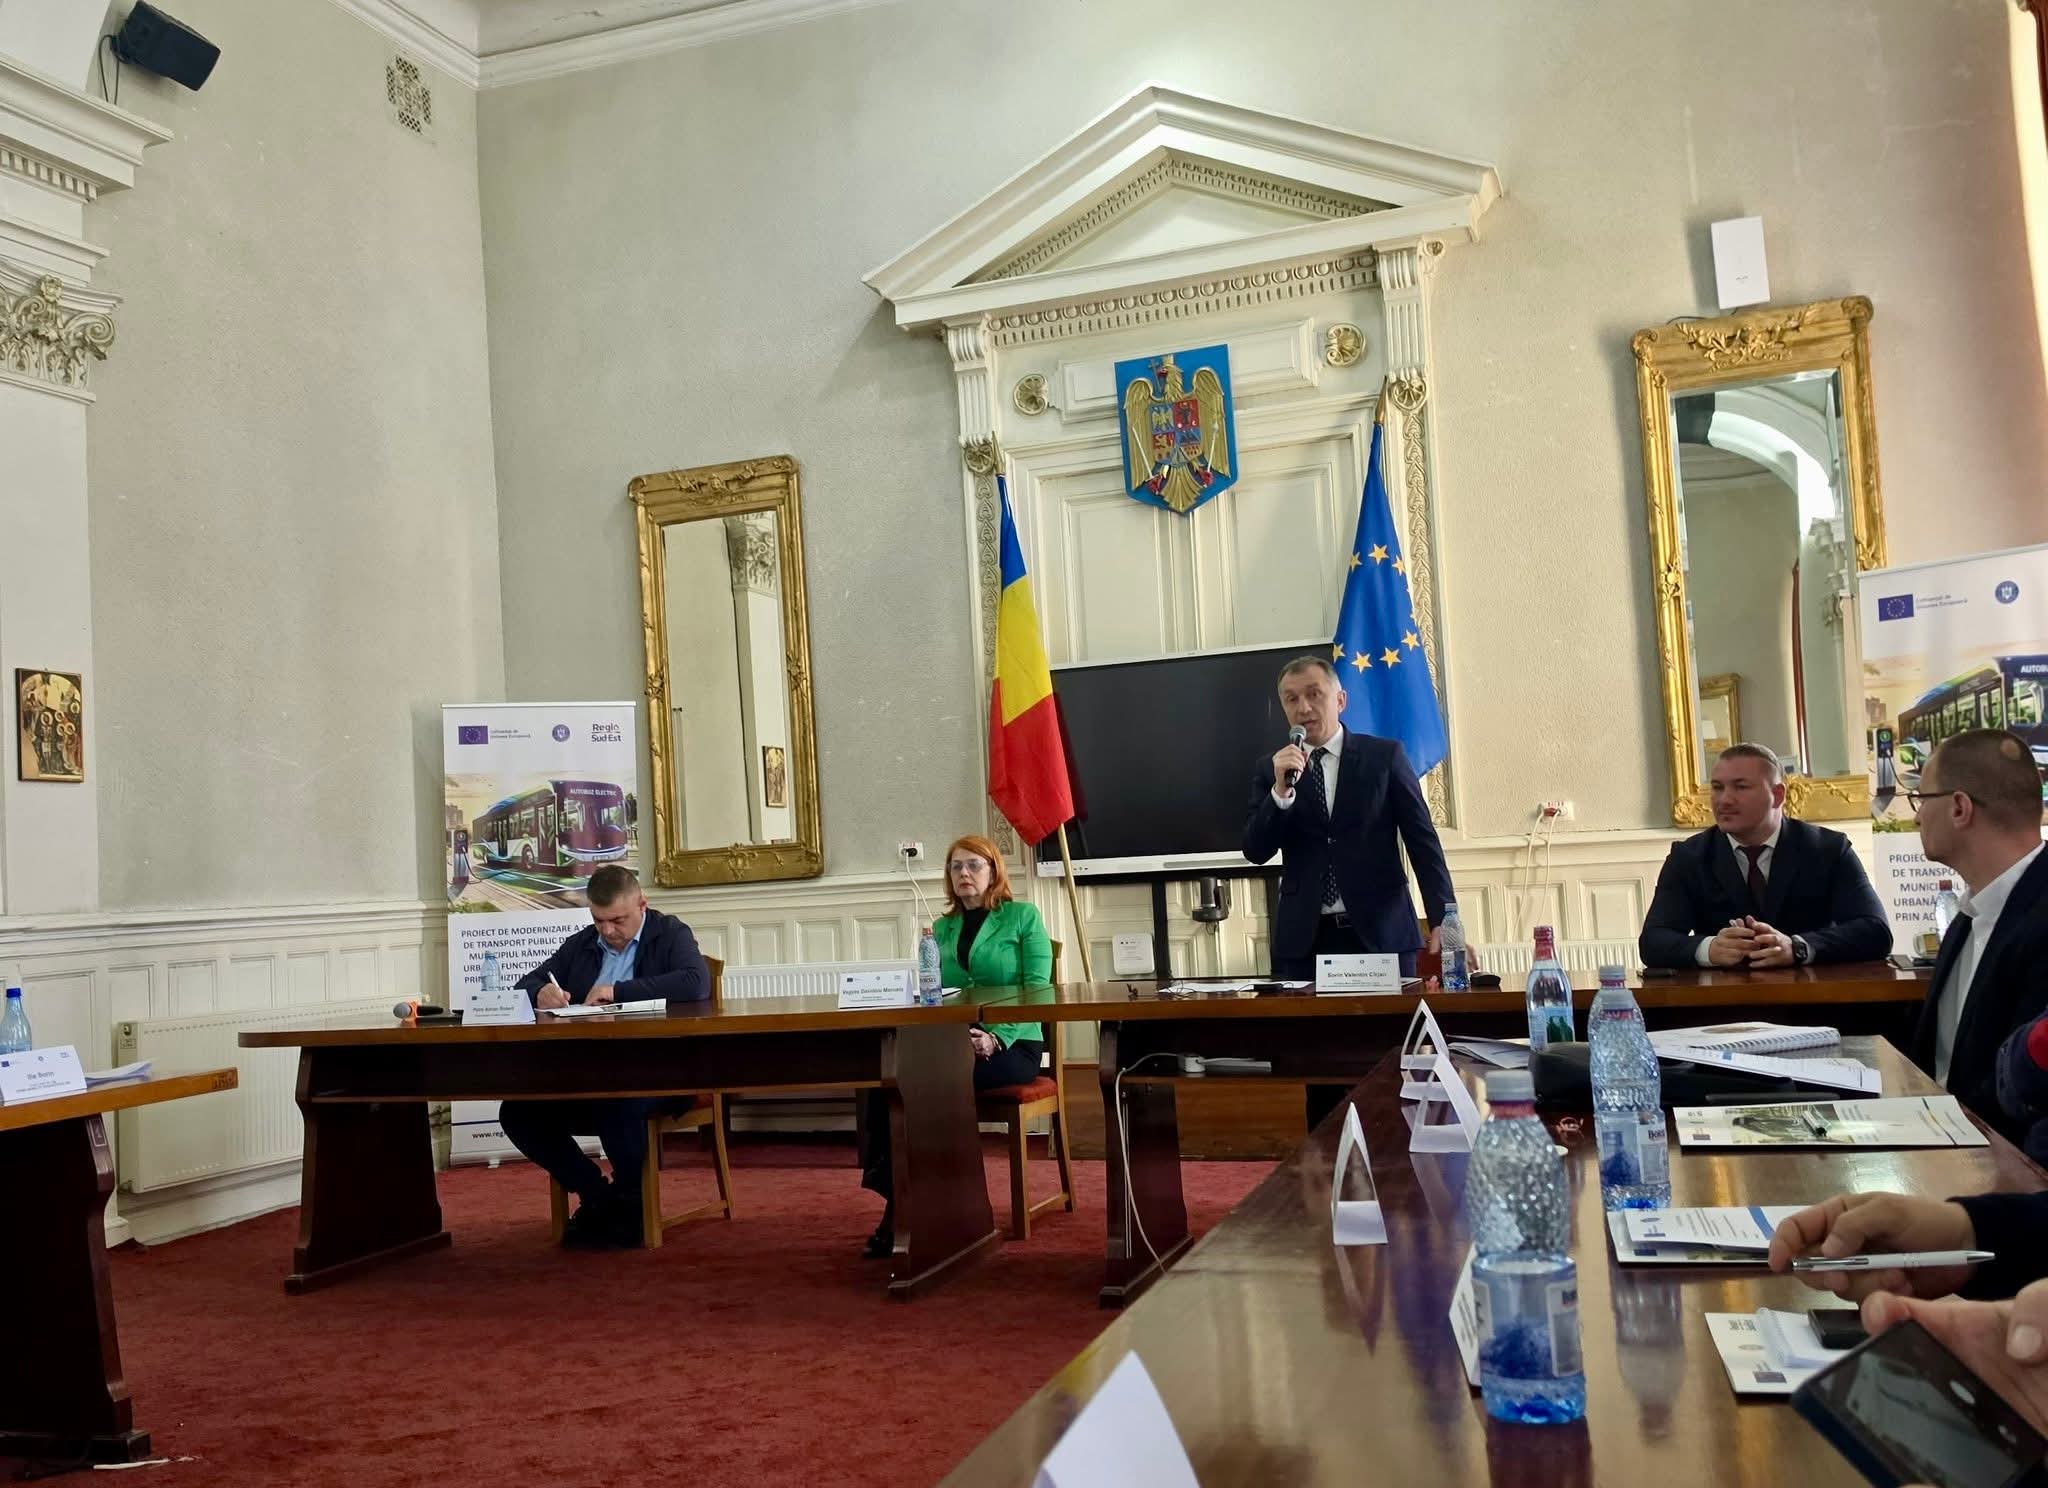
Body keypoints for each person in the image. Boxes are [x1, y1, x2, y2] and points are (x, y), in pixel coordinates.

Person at [498, 864, 710, 1248]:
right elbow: (526, 983)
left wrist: (617, 991)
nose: (608, 931)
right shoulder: (583, 943)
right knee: (518, 1112)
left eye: (618, 920)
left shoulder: (669, 933)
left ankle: (630, 1202)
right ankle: (598, 1195)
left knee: (618, 1099)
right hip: (588, 1071)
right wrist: (539, 992)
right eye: (599, 921)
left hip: (660, 1071)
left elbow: (695, 983)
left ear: (642, 905)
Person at [859, 834, 1049, 1258]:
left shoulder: (1023, 917)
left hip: (1015, 1044)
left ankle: (913, 1210)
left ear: (994, 871)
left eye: (974, 865)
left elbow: (1038, 991)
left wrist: (997, 1037)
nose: (964, 873)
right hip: (952, 1042)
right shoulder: (941, 929)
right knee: (885, 1081)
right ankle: (900, 1196)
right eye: (956, 866)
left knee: (926, 1086)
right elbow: (933, 994)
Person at [1242, 655, 1454, 981]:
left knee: (1392, 1018)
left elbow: (1423, 843)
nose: (1303, 708)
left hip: (1382, 933)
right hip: (1306, 941)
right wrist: (1280, 793)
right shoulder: (1272, 770)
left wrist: (1443, 918)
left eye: (1314, 694)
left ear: (1340, 700)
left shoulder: (1384, 757)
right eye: (1291, 699)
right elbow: (1255, 851)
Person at [1903, 729, 2048, 1132]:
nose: (1916, 816)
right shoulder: (1969, 912)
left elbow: (2024, 1095)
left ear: (1959, 808)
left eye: (1922, 799)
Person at [1638, 742, 1891, 970]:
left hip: (1813, 996)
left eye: (1740, 787)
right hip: (1725, 999)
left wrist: (1798, 947)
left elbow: (1876, 930)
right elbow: (1653, 941)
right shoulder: (1689, 857)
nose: (1724, 800)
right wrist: (1709, 949)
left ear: (1777, 795)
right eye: (1717, 787)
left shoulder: (1828, 849)